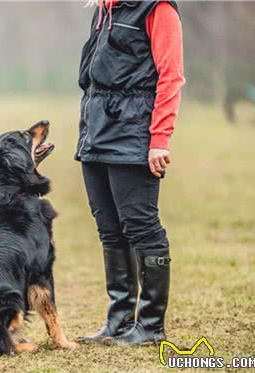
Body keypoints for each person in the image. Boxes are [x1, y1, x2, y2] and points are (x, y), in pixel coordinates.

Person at [75, 0, 185, 345]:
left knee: (141, 227)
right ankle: (119, 320)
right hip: (95, 133)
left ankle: (150, 327)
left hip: (133, 136)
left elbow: (171, 76)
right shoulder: (103, 10)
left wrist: (159, 139)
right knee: (109, 230)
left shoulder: (158, 9)